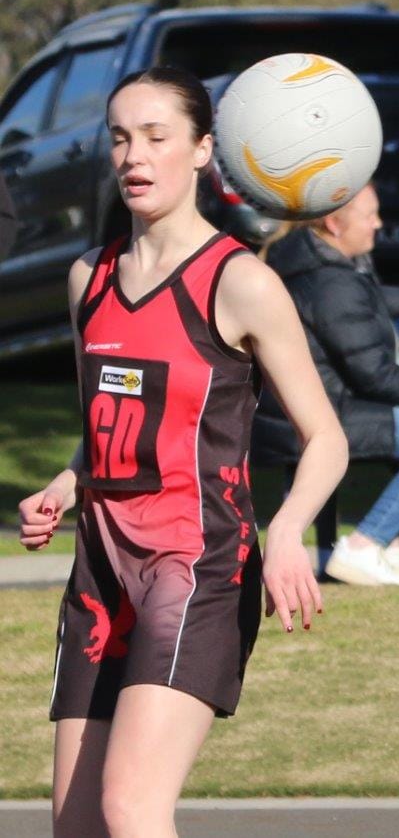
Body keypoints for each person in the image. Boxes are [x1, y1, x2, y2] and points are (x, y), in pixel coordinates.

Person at [16, 66, 347, 837]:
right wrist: (66, 486)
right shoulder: (87, 280)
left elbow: (325, 436)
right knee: (77, 826)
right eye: (121, 138)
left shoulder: (239, 282)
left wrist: (292, 528)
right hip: (101, 569)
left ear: (202, 150)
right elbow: (108, 427)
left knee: (131, 807)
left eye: (156, 137)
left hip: (196, 565)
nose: (134, 155)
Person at [256, 184, 399, 585]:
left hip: (314, 410)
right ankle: (367, 546)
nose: (379, 223)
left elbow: (371, 304)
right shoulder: (330, 281)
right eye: (369, 215)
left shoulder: (321, 267)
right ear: (335, 223)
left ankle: (393, 550)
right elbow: (373, 373)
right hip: (323, 417)